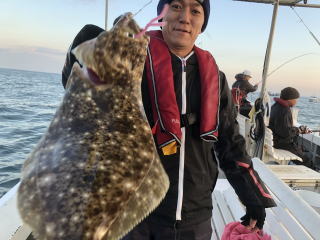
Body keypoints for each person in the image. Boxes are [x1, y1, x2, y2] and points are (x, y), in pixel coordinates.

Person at [62, 0, 276, 239]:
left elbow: (230, 141)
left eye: (195, 10)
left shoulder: (215, 78)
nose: (185, 17)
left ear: (202, 22)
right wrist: (86, 47)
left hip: (195, 214)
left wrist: (252, 197)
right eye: (175, 6)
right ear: (161, 15)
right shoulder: (129, 62)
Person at [269, 87, 313, 168]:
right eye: (295, 99)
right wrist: (298, 130)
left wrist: (297, 130)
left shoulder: (275, 106)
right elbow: (285, 133)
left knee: (301, 152)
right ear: (289, 99)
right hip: (281, 144)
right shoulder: (284, 110)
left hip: (274, 140)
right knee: (306, 160)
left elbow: (282, 127)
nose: (296, 101)